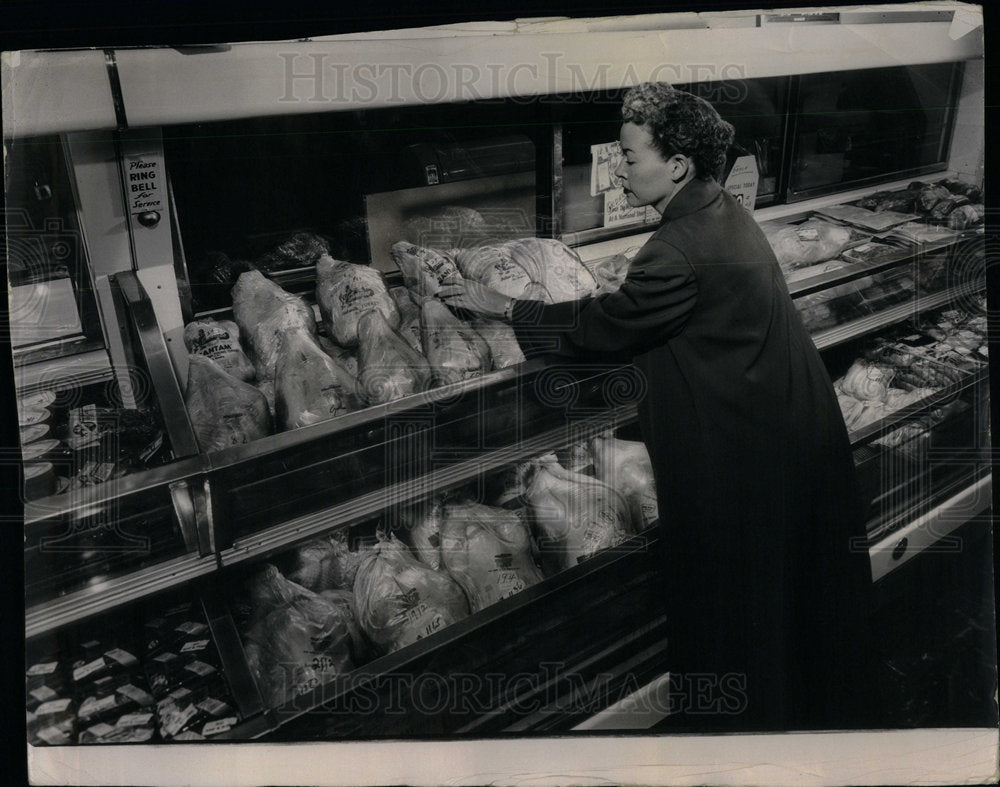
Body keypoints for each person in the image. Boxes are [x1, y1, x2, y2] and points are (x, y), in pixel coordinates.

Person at [438, 82, 877, 732]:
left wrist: (505, 307)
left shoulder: (675, 249)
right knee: (789, 607)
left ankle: (739, 738)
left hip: (747, 457)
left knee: (737, 612)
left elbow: (602, 328)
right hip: (786, 431)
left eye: (630, 154)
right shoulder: (718, 210)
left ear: (676, 165)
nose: (619, 168)